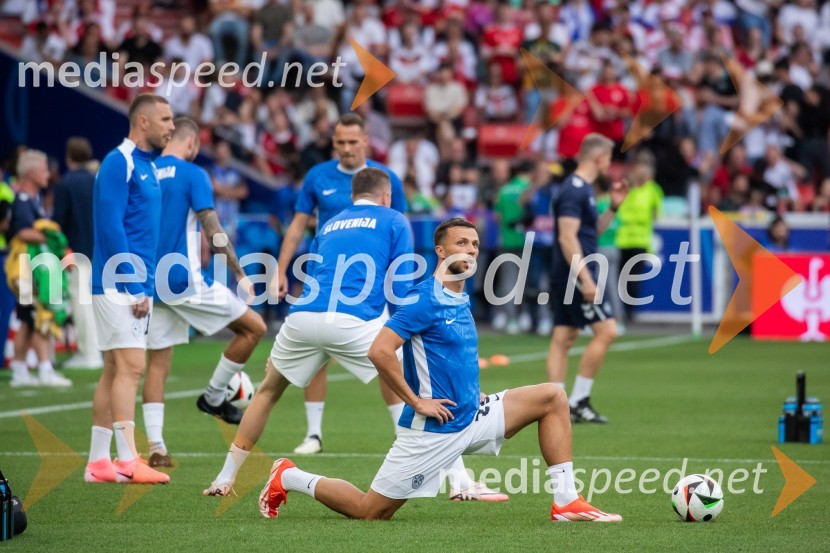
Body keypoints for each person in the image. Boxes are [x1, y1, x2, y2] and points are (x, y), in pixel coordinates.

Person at [255, 218, 621, 522]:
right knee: (370, 511)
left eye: (475, 244)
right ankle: (289, 475)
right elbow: (379, 352)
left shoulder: (460, 294)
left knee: (552, 397)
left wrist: (471, 391)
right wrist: (416, 402)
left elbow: (452, 356)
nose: (472, 250)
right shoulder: (423, 298)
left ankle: (566, 501)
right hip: (434, 428)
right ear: (441, 252)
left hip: (471, 415)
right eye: (462, 243)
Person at [206, 170, 505, 502]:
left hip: (303, 315)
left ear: (353, 196)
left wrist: (284, 344)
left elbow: (316, 270)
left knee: (267, 392)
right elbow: (404, 282)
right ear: (387, 196)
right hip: (354, 318)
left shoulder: (330, 223)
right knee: (420, 381)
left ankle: (225, 477)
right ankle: (460, 480)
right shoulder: (393, 219)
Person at [274, 113, 406, 456]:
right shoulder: (318, 177)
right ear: (333, 142)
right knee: (314, 351)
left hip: (370, 281)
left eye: (352, 141)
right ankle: (314, 434)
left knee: (388, 355)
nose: (346, 148)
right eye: (340, 142)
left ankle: (401, 432)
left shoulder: (385, 179)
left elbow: (398, 226)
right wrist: (280, 269)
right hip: (323, 273)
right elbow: (298, 225)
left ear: (366, 140)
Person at [141, 117, 267, 468]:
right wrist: (239, 273)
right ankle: (213, 397)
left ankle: (156, 447)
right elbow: (213, 228)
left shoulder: (146, 170)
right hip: (182, 279)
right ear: (193, 144)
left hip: (150, 281)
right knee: (254, 327)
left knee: (158, 365)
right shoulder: (193, 174)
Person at [84, 94, 174, 485]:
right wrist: (135, 285)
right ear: (143, 121)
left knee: (112, 369)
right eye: (166, 119)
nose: (172, 126)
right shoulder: (117, 162)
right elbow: (110, 227)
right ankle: (127, 459)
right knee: (132, 367)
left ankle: (98, 463)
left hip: (133, 283)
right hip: (120, 283)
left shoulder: (147, 166)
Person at [547, 133, 628, 424]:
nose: (610, 164)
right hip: (575, 273)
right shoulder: (574, 189)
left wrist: (614, 207)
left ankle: (557, 404)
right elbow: (567, 238)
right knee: (607, 331)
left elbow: (591, 232)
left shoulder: (585, 190)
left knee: (564, 337)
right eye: (608, 158)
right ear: (598, 157)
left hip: (575, 272)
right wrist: (586, 278)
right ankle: (576, 401)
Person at [6, 150, 72, 388]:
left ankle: (20, 368)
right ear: (32, 173)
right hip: (28, 269)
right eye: (44, 169)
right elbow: (22, 231)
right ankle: (45, 368)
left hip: (28, 267)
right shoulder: (23, 200)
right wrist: (52, 237)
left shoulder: (31, 199)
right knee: (38, 313)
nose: (48, 174)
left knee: (26, 317)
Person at [52, 137, 102, 370]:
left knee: (81, 303)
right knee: (94, 303)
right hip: (100, 251)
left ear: (68, 156)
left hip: (75, 252)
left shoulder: (66, 183)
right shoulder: (97, 181)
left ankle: (88, 353)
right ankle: (96, 351)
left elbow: (58, 222)